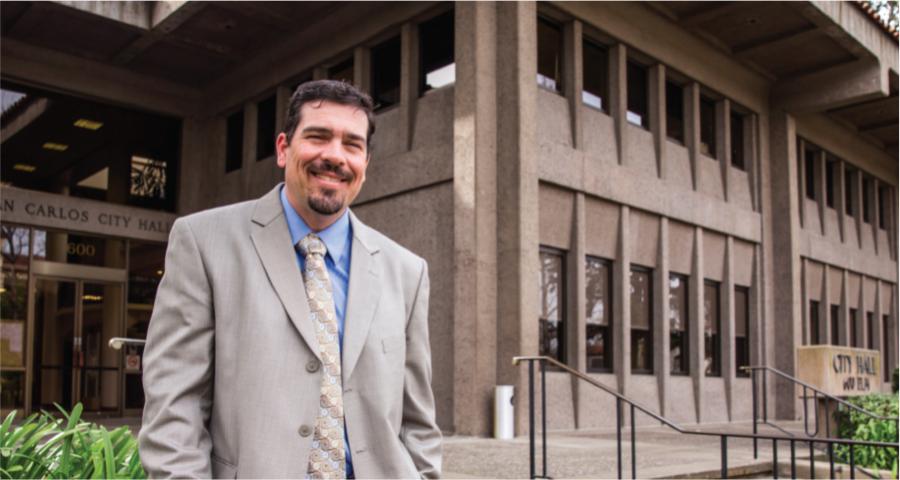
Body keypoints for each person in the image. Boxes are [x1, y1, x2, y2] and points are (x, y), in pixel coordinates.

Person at [138, 80, 442, 479]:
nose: (335, 156)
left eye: (352, 144)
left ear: (365, 163)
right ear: (283, 148)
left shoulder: (407, 272)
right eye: (318, 137)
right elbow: (174, 410)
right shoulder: (202, 243)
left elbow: (418, 421)